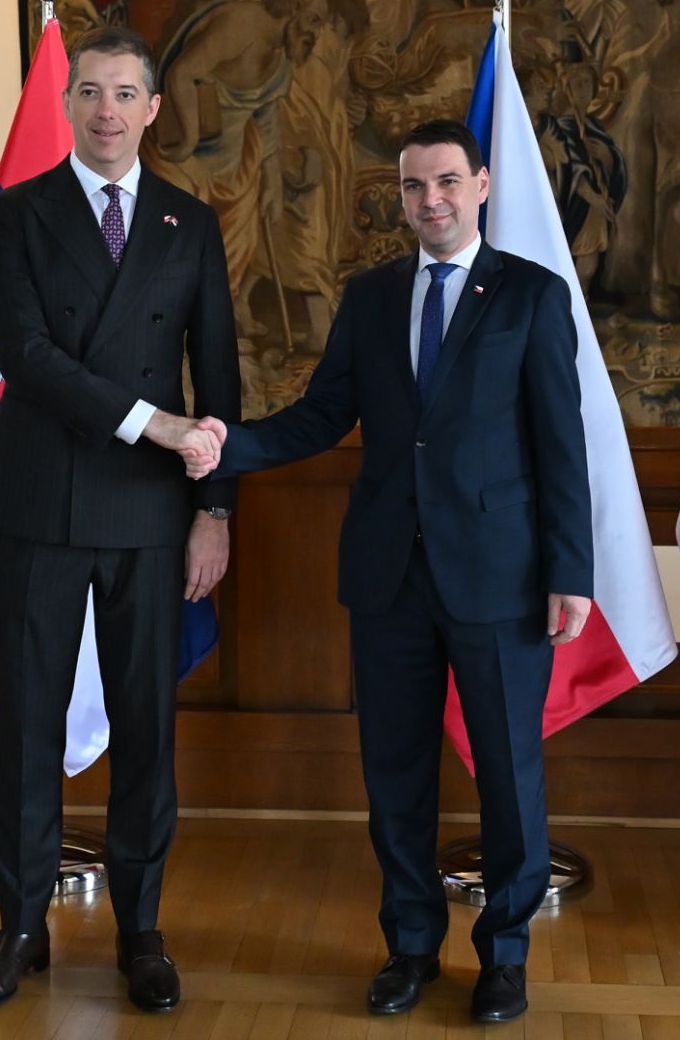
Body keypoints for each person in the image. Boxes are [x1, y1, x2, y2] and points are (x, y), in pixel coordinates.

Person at [202, 119, 592, 1024]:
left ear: (481, 186)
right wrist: (227, 446)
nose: (431, 201)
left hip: (499, 576)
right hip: (389, 578)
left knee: (508, 775)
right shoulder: (371, 296)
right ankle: (410, 945)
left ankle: (504, 956)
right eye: (415, 186)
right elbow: (323, 413)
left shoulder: (532, 295)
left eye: (448, 181)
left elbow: (561, 444)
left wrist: (570, 569)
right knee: (395, 776)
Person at [0, 26, 240, 1015]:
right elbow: (28, 357)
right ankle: (19, 927)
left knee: (147, 729)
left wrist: (214, 508)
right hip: (38, 499)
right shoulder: (19, 212)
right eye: (90, 91)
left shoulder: (189, 224)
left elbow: (219, 377)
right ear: (67, 103)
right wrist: (150, 421)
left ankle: (141, 930)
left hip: (153, 511)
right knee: (28, 723)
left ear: (153, 109)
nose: (107, 111)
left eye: (125, 93)